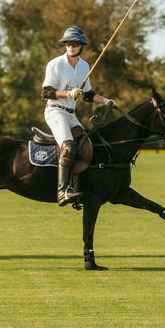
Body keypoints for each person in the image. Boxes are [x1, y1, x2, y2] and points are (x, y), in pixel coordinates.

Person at [41, 27, 117, 206]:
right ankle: (62, 192)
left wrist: (106, 100)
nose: (70, 47)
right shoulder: (56, 64)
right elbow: (46, 92)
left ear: (81, 46)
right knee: (68, 147)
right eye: (67, 43)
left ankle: (76, 189)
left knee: (85, 147)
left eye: (74, 44)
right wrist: (67, 94)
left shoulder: (84, 66)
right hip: (55, 111)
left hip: (71, 114)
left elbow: (87, 95)